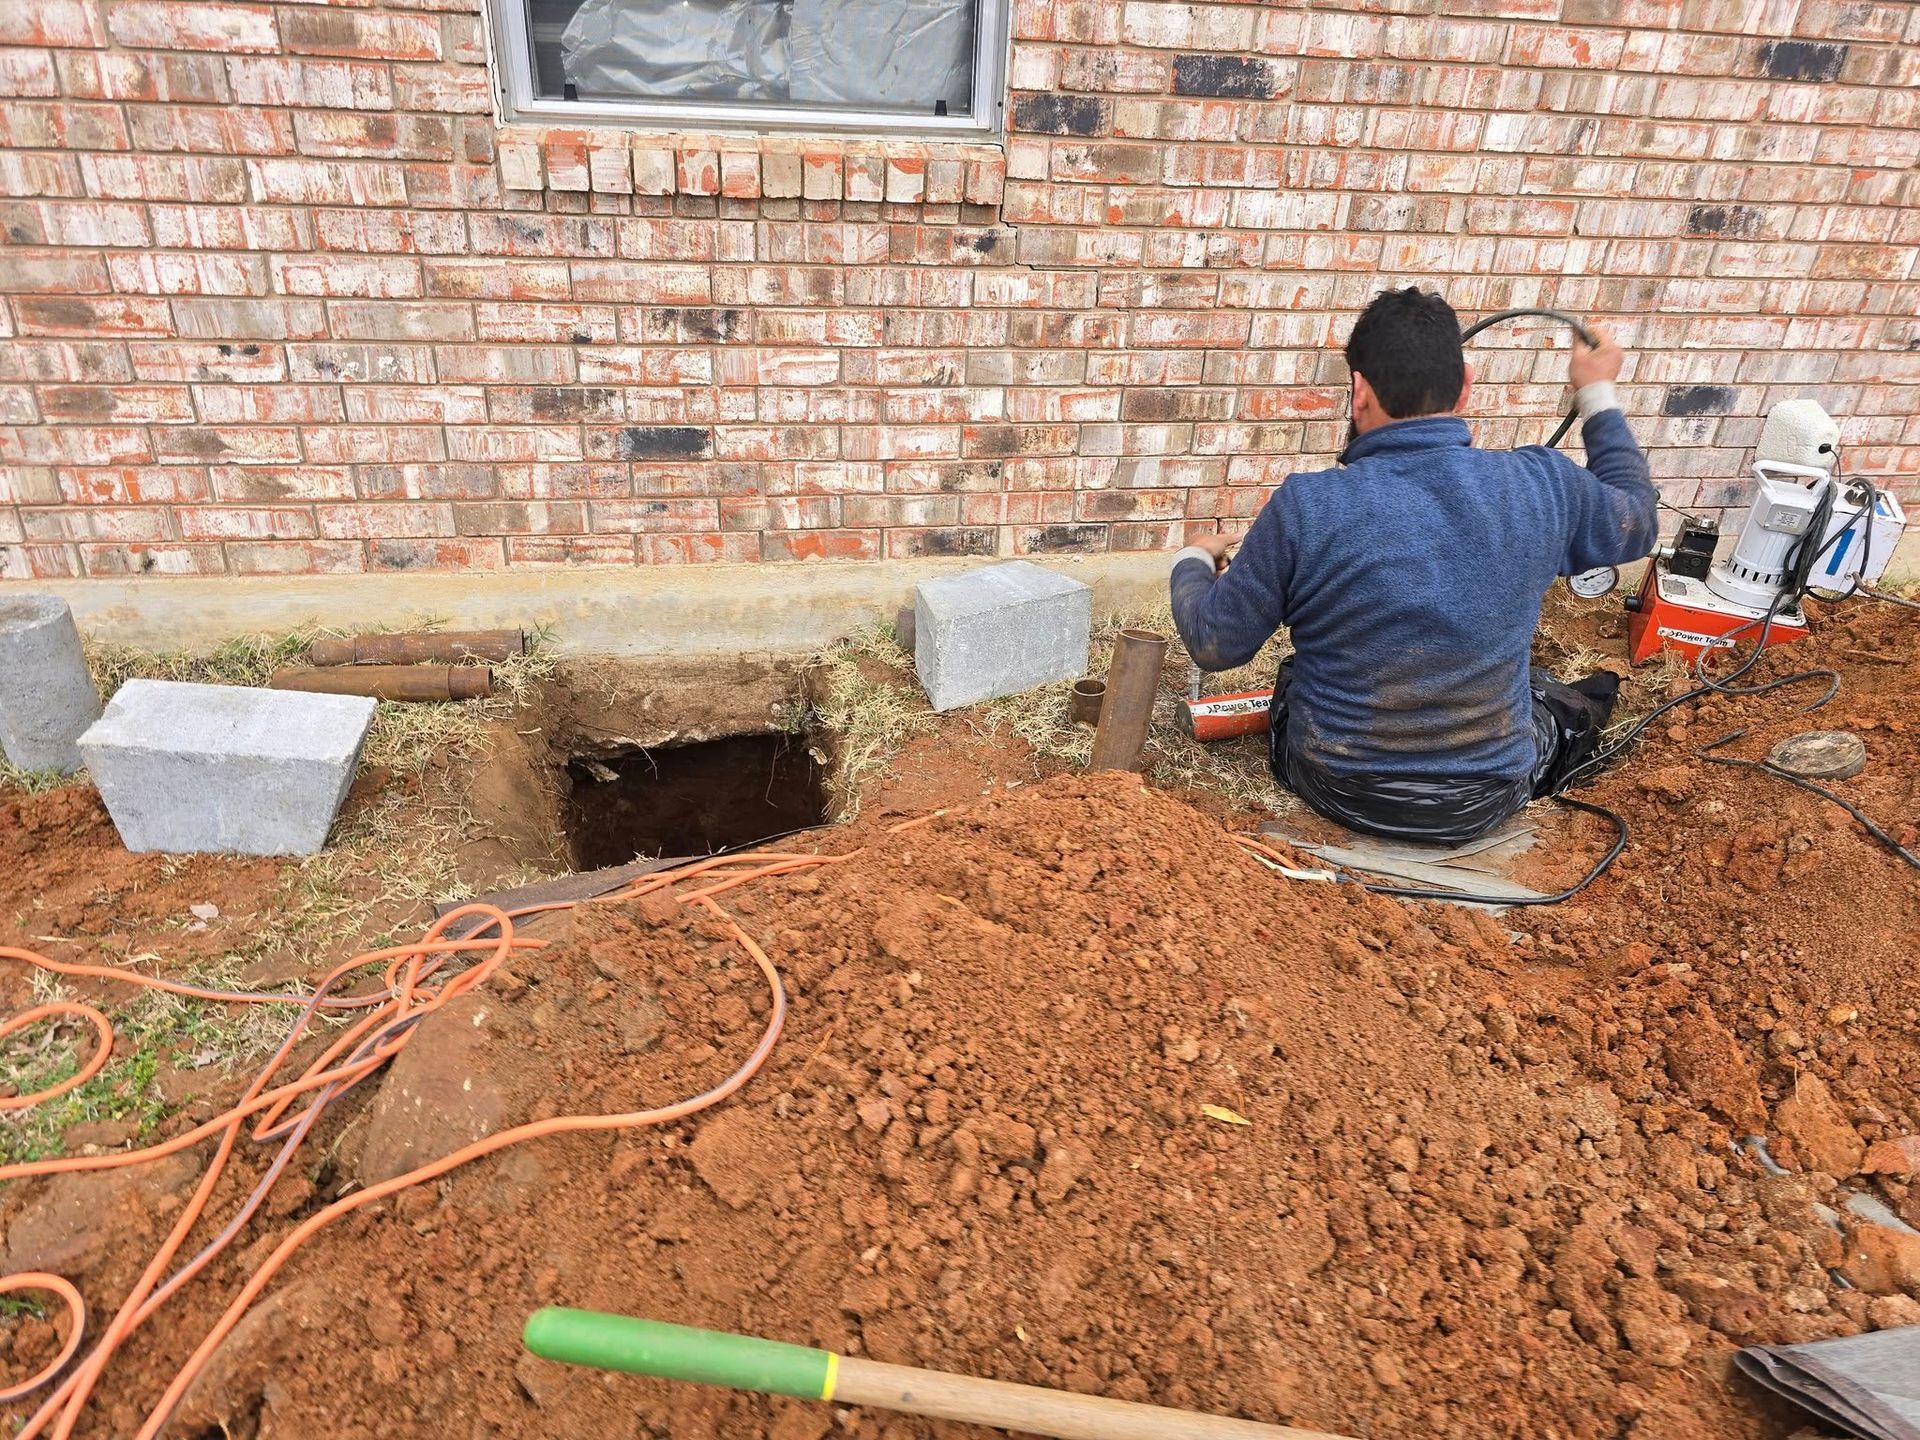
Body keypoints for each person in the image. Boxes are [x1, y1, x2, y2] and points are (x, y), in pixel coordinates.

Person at [1169, 287, 1658, 845]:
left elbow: (1215, 643)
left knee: (1298, 680)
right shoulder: (1541, 484)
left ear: (1359, 392)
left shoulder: (1306, 507)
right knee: (1557, 697)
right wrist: (1595, 391)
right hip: (1489, 795)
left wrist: (1191, 561)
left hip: (1335, 784)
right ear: (1466, 385)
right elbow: (1637, 519)